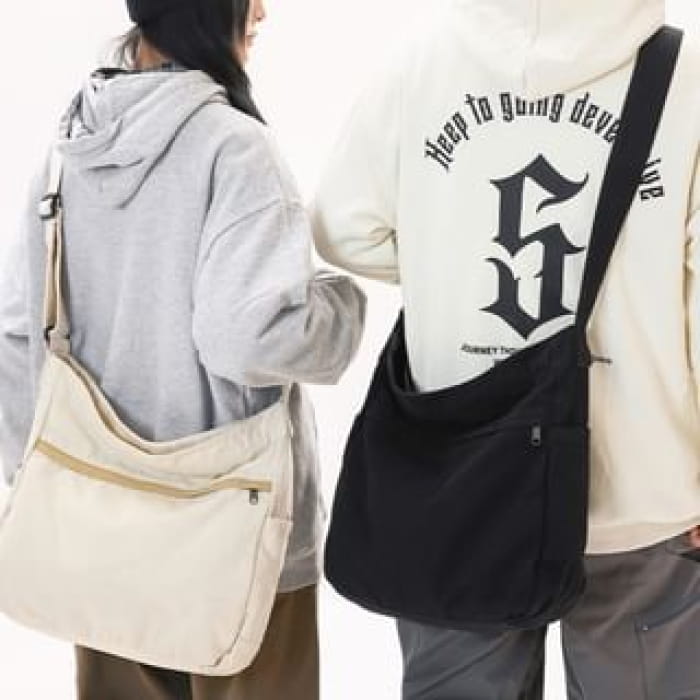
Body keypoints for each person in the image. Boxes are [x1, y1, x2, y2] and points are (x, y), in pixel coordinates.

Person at [312, 0, 700, 697]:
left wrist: (445, 262)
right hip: (642, 490)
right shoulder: (688, 78)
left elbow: (344, 228)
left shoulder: (423, 62)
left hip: (465, 478)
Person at [0, 0, 366, 698]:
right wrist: (340, 308)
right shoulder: (235, 149)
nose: (262, 11)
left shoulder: (71, 144)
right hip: (234, 537)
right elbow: (249, 334)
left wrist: (50, 483)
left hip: (101, 533)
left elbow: (19, 330)